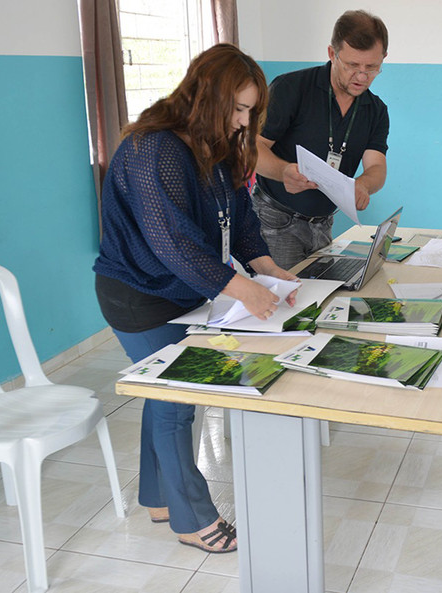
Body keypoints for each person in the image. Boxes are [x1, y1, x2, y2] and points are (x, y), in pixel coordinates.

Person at [93, 44, 299, 553]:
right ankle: (192, 518)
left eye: (251, 111)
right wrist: (243, 289)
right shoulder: (153, 149)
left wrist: (269, 268)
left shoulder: (219, 144)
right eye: (237, 109)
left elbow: (242, 220)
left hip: (186, 290)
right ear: (205, 95)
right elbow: (172, 242)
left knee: (164, 392)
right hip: (139, 295)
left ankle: (159, 496)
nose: (244, 121)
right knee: (177, 398)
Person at [251, 9, 390, 270]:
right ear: (331, 54)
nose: (362, 77)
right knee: (285, 304)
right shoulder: (291, 89)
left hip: (323, 224)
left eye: (372, 68)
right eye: (352, 66)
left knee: (318, 304)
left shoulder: (376, 110)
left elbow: (377, 168)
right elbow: (252, 149)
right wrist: (283, 171)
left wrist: (363, 184)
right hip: (276, 221)